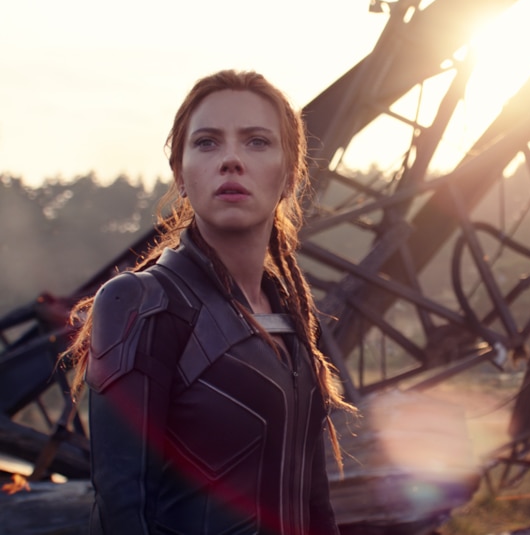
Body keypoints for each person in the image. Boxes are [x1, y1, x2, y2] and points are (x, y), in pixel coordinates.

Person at [64, 69, 355, 535]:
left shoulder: (288, 313)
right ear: (180, 174)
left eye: (257, 142)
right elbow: (121, 512)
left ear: (289, 175)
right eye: (207, 143)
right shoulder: (142, 303)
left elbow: (315, 505)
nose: (231, 160)